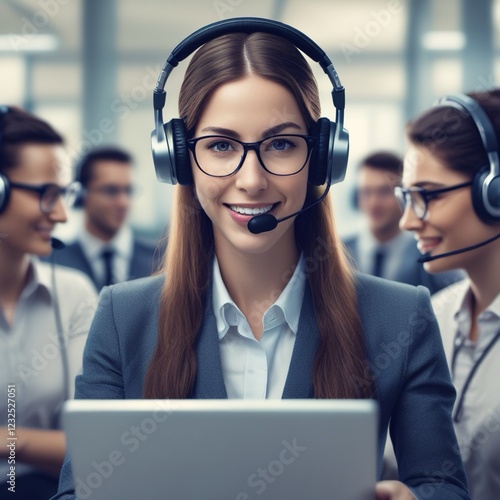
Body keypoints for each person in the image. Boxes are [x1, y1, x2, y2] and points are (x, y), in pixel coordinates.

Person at [53, 18, 470, 499]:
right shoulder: (123, 318)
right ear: (180, 159)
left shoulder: (400, 316)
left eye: (281, 144)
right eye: (221, 145)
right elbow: (77, 492)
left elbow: (443, 487)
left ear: (321, 157)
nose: (251, 180)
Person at [397, 89, 500, 499]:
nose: (407, 220)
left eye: (430, 195)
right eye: (407, 196)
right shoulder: (427, 317)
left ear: (493, 191)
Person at [0, 105, 97, 499]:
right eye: (46, 194)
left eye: (64, 194)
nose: (60, 214)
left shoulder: (74, 294)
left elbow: (94, 447)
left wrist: (7, 440)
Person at [344, 150, 463, 293]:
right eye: (366, 192)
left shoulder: (430, 253)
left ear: (405, 198)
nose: (373, 203)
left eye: (384, 192)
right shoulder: (338, 251)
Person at [47, 146, 161, 291]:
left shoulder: (163, 259)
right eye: (111, 191)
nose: (123, 202)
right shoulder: (52, 262)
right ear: (80, 195)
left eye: (128, 190)